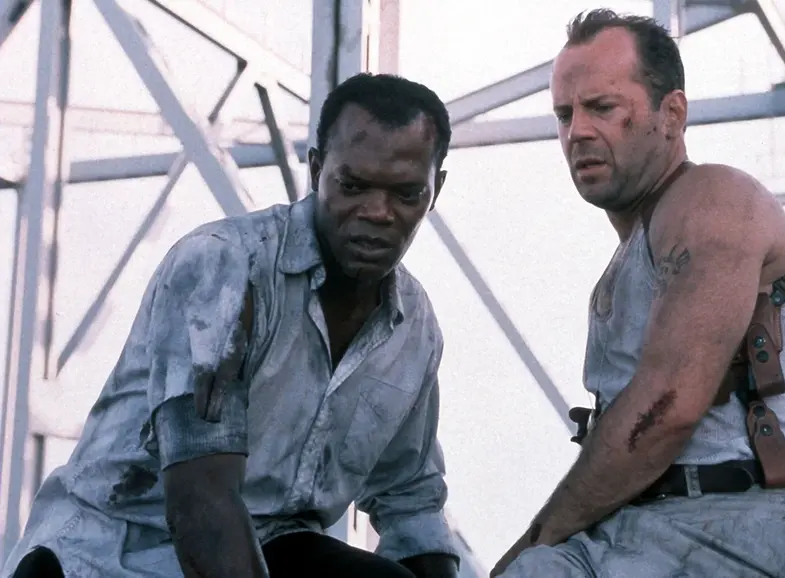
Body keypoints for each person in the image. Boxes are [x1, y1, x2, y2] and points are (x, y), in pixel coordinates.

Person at [2, 72, 460, 578]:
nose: (377, 212)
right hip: (116, 554)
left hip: (269, 544)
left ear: (435, 189)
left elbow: (412, 503)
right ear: (315, 170)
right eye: (352, 186)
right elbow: (201, 502)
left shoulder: (414, 326)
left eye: (406, 194)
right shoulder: (224, 267)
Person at [491, 9, 785, 578]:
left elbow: (667, 407)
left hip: (737, 533)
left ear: (673, 114)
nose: (577, 131)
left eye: (602, 107)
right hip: (634, 537)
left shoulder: (716, 198)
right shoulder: (629, 260)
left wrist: (532, 544)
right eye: (564, 114)